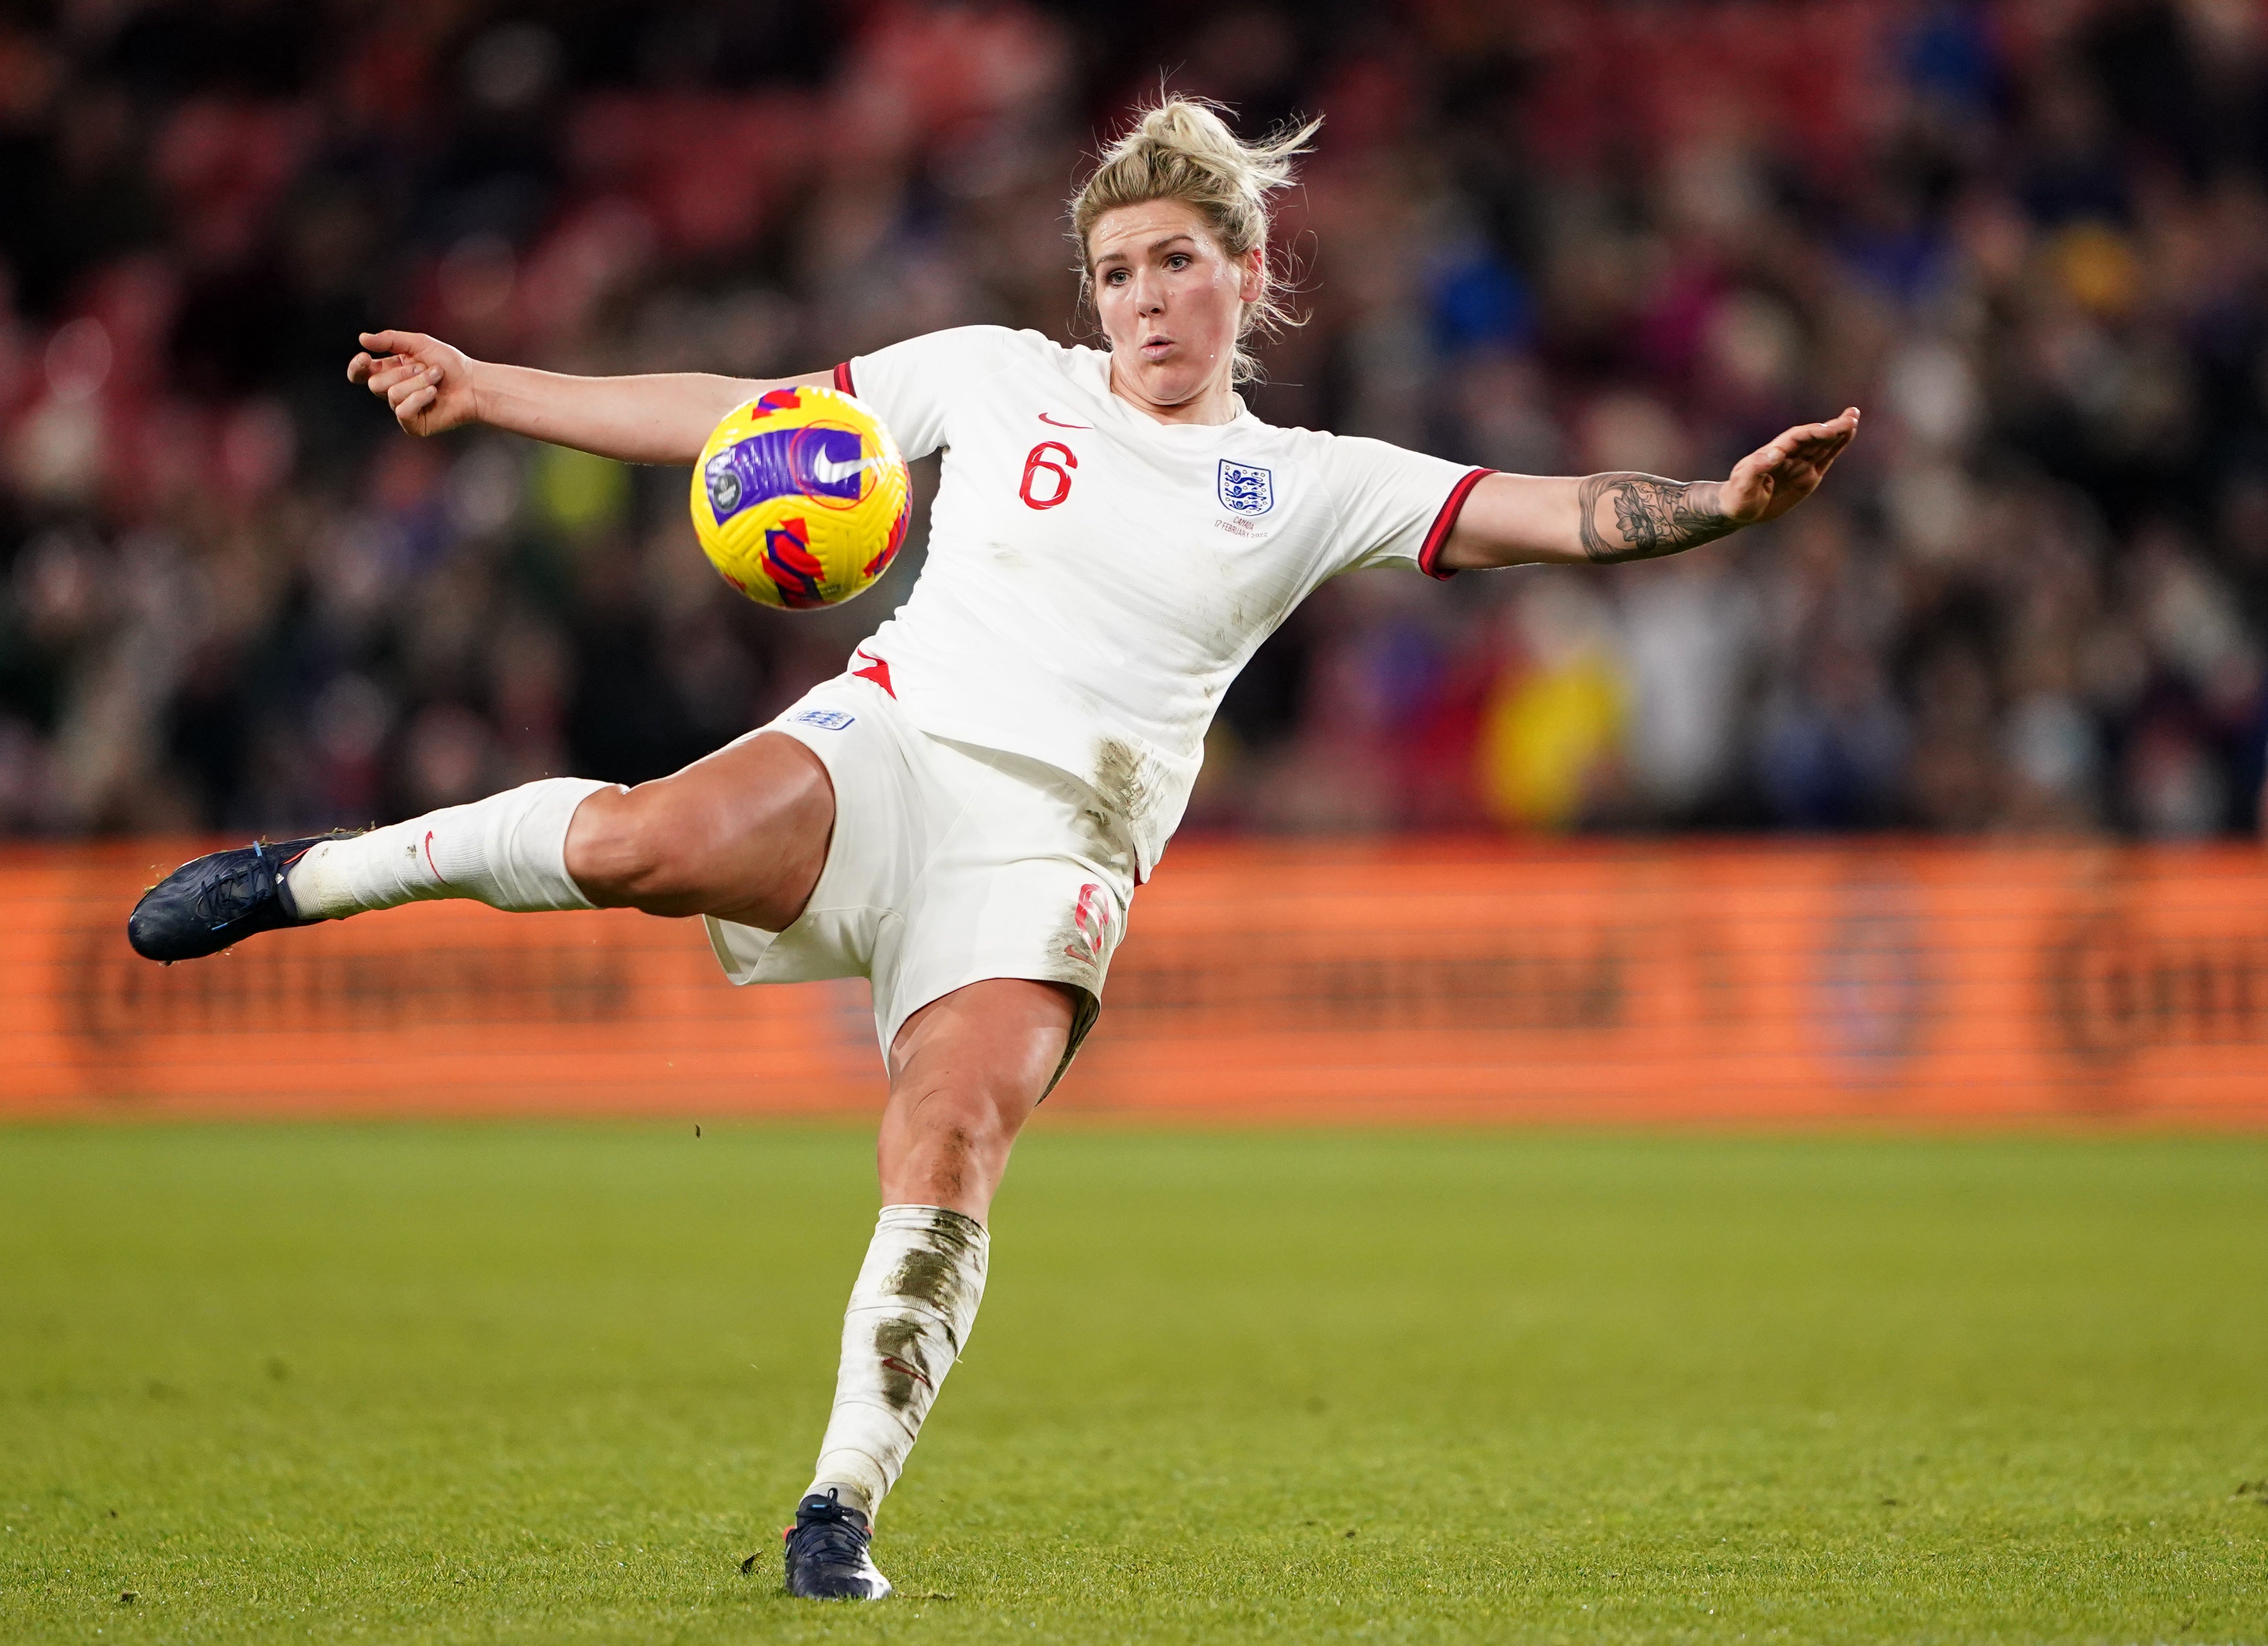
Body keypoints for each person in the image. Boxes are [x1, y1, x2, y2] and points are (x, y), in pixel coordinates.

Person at [127, 99, 1859, 1600]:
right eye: (1115, 273)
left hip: (1055, 849)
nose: (1144, 300)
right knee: (651, 840)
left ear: (1247, 274)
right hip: (893, 741)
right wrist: (488, 388)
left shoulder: (1315, 480)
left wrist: (1718, 505)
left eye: (1177, 262)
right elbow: (750, 419)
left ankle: (836, 1508)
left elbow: (1547, 514)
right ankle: (301, 876)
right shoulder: (996, 381)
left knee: (947, 1135)